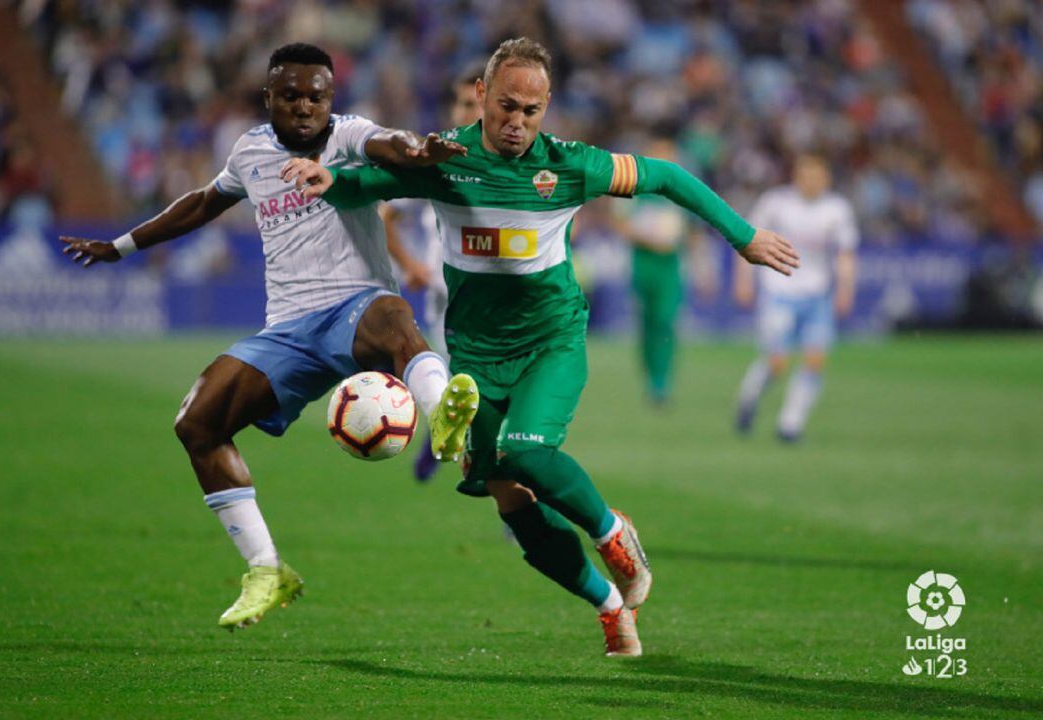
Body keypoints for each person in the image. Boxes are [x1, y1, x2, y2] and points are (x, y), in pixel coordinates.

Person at [282, 37, 799, 657]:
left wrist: (741, 237)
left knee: (525, 452)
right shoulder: (444, 158)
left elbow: (666, 176)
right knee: (511, 499)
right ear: (482, 96)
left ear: (547, 106)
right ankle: (608, 605)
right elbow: (366, 185)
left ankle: (612, 532)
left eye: (531, 110)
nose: (517, 122)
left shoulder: (571, 165)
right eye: (506, 106)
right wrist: (326, 177)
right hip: (475, 354)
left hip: (551, 339)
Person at [60, 43, 480, 630]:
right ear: (269, 98)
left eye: (316, 96)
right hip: (287, 329)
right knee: (197, 423)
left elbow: (393, 145)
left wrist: (419, 150)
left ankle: (447, 423)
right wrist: (121, 246)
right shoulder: (250, 150)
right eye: (291, 96)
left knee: (393, 317)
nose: (305, 106)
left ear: (330, 100)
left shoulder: (348, 134)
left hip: (356, 306)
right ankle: (266, 569)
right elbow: (203, 203)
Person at [381, 61, 484, 482]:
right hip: (451, 295)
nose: (469, 113)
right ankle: (507, 492)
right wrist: (410, 266)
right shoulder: (436, 158)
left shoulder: (514, 160)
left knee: (482, 391)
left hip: (503, 295)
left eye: (477, 104)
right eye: (463, 103)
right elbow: (387, 213)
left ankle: (439, 446)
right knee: (464, 386)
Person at [733, 153, 858, 442]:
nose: (812, 181)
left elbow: (846, 254)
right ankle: (749, 398)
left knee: (815, 360)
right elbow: (745, 240)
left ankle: (790, 424)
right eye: (806, 175)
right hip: (779, 292)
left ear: (826, 178)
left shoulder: (837, 209)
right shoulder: (776, 203)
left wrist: (845, 289)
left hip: (818, 295)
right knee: (777, 361)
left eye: (817, 175)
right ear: (796, 176)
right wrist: (743, 281)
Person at [612, 136, 716, 406]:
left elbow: (694, 232)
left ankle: (662, 382)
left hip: (670, 266)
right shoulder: (634, 188)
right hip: (643, 263)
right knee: (646, 322)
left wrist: (704, 269)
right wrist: (646, 236)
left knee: (666, 321)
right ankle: (649, 373)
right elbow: (619, 223)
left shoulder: (681, 192)